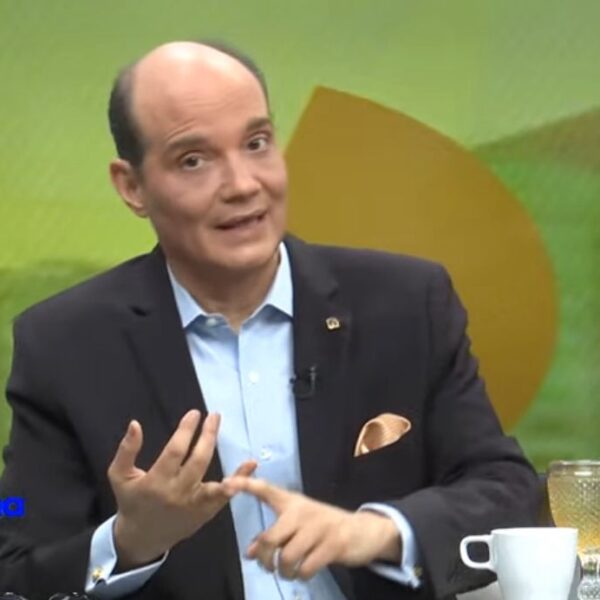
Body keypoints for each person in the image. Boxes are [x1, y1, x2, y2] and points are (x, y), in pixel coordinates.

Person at [0, 41, 539, 600]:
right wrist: (129, 541)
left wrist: (376, 531)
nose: (242, 185)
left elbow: (507, 490)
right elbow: (15, 563)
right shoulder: (65, 346)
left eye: (256, 143)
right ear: (131, 186)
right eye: (193, 160)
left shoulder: (405, 304)